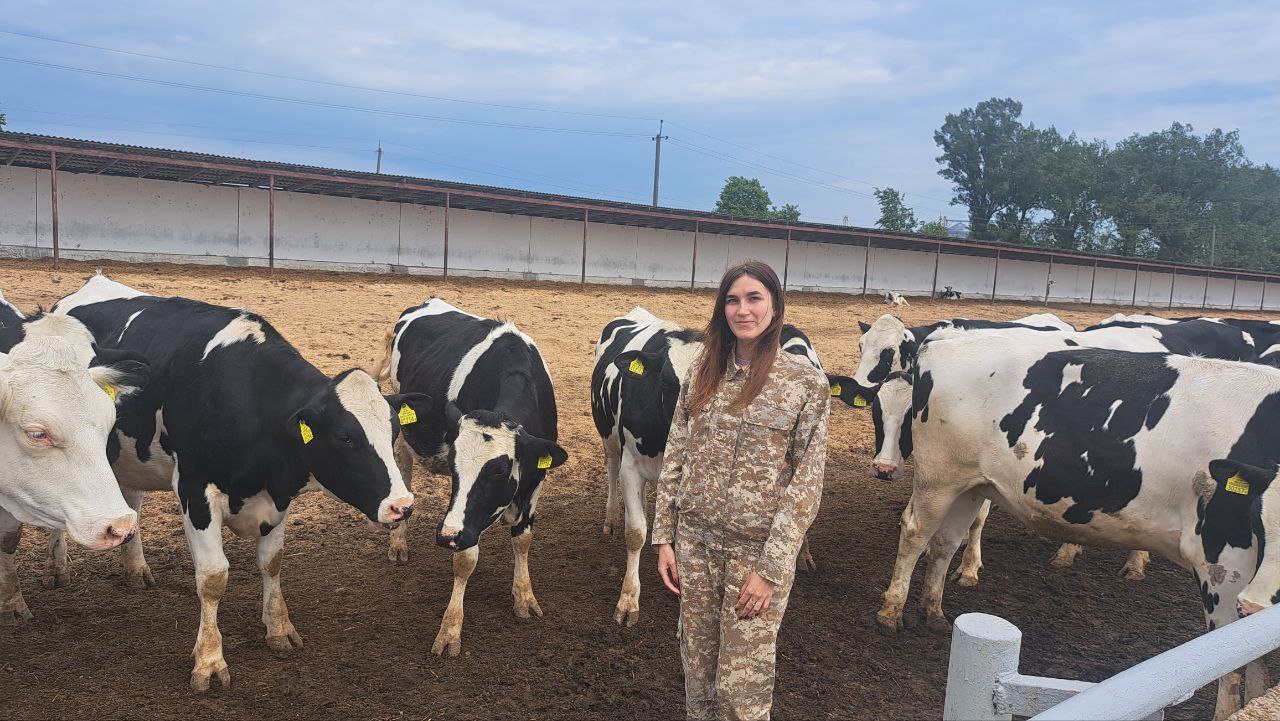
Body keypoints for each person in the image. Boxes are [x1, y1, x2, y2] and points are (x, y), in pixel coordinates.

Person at [652, 260, 831, 721]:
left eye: (754, 299)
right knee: (697, 672)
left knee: (741, 687)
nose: (742, 310)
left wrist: (771, 569)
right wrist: (664, 538)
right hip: (694, 546)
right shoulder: (701, 372)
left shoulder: (804, 382)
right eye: (732, 300)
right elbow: (676, 453)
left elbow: (806, 483)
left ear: (775, 308)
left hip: (755, 555)